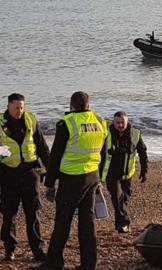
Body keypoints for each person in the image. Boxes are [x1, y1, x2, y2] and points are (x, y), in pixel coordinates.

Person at [36, 91, 107, 270]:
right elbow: (103, 153)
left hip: (71, 179)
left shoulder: (67, 124)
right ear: (88, 105)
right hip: (91, 176)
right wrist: (99, 177)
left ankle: (54, 262)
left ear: (71, 105)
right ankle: (89, 263)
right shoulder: (100, 121)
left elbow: (55, 157)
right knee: (87, 222)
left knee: (63, 222)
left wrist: (50, 184)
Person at [0, 93, 50, 262]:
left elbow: (42, 146)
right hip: (8, 174)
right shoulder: (0, 123)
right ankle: (10, 250)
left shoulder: (31, 120)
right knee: (9, 214)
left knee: (33, 213)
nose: (19, 111)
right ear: (8, 106)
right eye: (16, 108)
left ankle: (37, 250)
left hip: (30, 173)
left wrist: (50, 169)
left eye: (22, 107)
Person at [99, 111, 148, 233]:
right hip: (111, 174)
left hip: (127, 174)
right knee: (117, 198)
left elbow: (143, 153)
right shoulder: (106, 133)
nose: (120, 125)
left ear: (127, 122)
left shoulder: (135, 134)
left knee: (124, 200)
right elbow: (97, 153)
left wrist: (144, 171)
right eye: (118, 122)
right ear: (113, 122)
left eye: (123, 122)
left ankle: (119, 225)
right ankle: (125, 223)